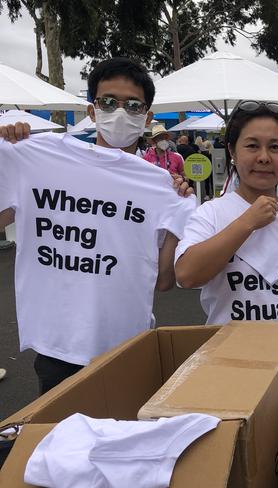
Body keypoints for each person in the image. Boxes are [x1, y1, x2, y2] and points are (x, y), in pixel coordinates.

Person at [0, 57, 196, 394]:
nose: (120, 112)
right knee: (59, 440)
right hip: (58, 344)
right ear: (92, 110)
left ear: (147, 117)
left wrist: (182, 215)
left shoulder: (164, 187)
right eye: (108, 102)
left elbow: (164, 280)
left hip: (126, 344)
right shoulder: (36, 159)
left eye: (133, 105)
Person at [173, 100, 278, 378]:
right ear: (232, 152)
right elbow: (186, 274)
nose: (264, 157)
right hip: (231, 369)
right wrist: (248, 222)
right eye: (252, 146)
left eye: (275, 147)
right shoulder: (212, 214)